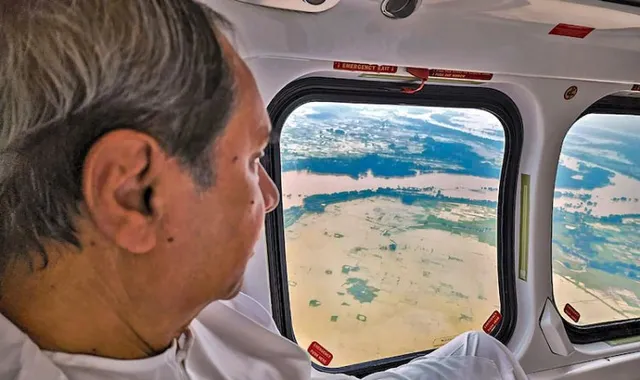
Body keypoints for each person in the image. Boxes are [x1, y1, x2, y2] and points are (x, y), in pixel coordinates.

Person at [0, 1, 529, 379]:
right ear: (133, 196)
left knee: (483, 354)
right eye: (253, 160)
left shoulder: (204, 313)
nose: (271, 195)